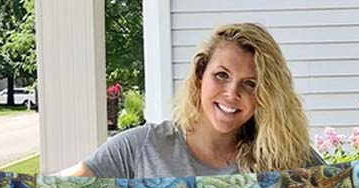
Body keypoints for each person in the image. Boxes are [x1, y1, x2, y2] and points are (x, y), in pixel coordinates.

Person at [63, 22, 324, 179]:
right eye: (222, 75)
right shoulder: (143, 149)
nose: (232, 93)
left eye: (250, 84)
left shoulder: (286, 157)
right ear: (200, 74)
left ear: (266, 95)